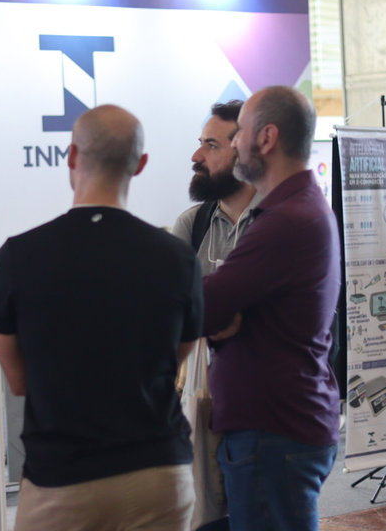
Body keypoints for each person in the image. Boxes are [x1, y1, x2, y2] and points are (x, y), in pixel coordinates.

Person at [0, 104, 204, 531]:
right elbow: (178, 356)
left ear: (71, 156)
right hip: (159, 472)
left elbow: (19, 381)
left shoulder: (19, 256)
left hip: (62, 477)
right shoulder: (178, 258)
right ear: (140, 164)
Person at [201, 86, 340, 531]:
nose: (235, 142)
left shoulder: (285, 221)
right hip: (280, 427)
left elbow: (205, 307)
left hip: (273, 432)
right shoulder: (298, 210)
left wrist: (218, 310)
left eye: (239, 131)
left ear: (267, 138)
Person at [171, 99, 259, 531]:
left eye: (210, 146)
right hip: (201, 408)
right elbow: (171, 312)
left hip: (261, 412)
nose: (196, 156)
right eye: (200, 143)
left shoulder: (277, 221)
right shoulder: (192, 225)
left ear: (242, 150)